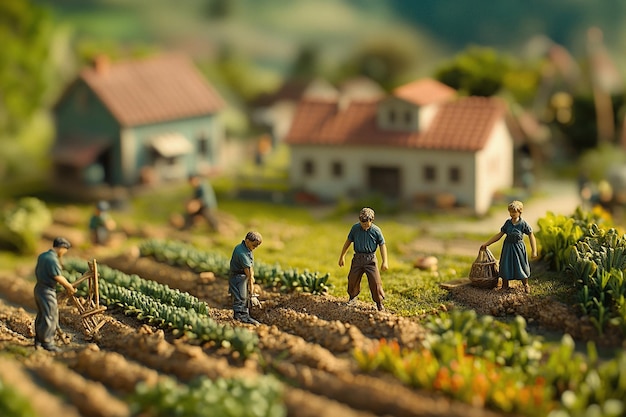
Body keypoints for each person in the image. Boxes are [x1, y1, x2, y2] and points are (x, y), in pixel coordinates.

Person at [480, 200, 537, 293]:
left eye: (514, 212)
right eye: (510, 212)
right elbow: (499, 235)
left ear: (520, 212)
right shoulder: (508, 223)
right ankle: (505, 285)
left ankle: (525, 284)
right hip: (508, 248)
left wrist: (534, 251)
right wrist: (487, 243)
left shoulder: (523, 224)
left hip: (519, 248)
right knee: (505, 265)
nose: (512, 214)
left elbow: (531, 235)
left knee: (521, 265)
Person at [338, 207, 388, 311]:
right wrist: (342, 256)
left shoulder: (376, 231)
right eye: (362, 223)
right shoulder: (355, 228)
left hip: (370, 259)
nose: (364, 225)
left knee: (375, 282)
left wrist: (385, 261)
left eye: (366, 224)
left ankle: (379, 303)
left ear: (372, 220)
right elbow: (348, 242)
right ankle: (352, 297)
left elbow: (382, 245)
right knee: (352, 279)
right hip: (357, 259)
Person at [34, 237, 76, 352]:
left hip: (39, 288)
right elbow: (57, 276)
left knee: (42, 315)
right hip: (47, 290)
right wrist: (69, 286)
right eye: (65, 250)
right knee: (50, 315)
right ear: (61, 248)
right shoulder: (52, 259)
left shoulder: (43, 256)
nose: (64, 253)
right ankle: (48, 342)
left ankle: (38, 340)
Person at [229, 231, 263, 325]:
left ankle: (245, 314)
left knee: (244, 295)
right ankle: (240, 316)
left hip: (242, 275)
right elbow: (248, 273)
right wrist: (251, 290)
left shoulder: (246, 248)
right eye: (254, 245)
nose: (254, 248)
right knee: (241, 296)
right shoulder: (241, 253)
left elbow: (250, 266)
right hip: (238, 277)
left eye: (257, 246)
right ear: (247, 241)